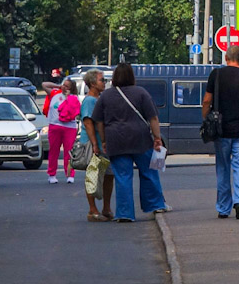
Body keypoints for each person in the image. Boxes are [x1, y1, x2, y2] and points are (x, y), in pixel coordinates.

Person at [92, 62, 168, 222]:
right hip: (140, 138)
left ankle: (125, 213)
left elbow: (98, 120)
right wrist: (157, 137)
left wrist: (103, 139)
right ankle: (155, 205)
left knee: (122, 177)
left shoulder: (106, 96)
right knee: (149, 172)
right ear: (131, 76)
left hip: (116, 139)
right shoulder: (141, 93)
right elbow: (153, 117)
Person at [203, 46, 239, 220]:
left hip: (222, 130)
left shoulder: (217, 75)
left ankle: (223, 208)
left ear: (226, 58)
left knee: (223, 167)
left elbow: (207, 101)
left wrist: (206, 119)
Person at [79, 69, 114, 221]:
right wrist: (94, 144)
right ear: (93, 83)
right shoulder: (90, 101)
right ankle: (92, 210)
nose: (104, 83)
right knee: (93, 175)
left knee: (108, 175)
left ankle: (106, 208)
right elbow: (88, 123)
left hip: (103, 143)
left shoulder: (99, 99)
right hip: (93, 144)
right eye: (102, 80)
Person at [46, 78, 82, 183]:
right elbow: (44, 85)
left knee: (69, 152)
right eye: (63, 85)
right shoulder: (54, 94)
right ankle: (51, 174)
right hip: (54, 125)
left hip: (69, 127)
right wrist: (58, 86)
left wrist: (67, 97)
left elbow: (73, 111)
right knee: (53, 150)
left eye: (67, 86)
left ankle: (70, 174)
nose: (64, 87)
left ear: (71, 88)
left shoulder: (74, 98)